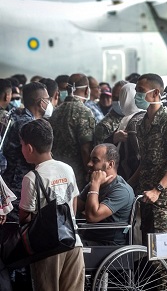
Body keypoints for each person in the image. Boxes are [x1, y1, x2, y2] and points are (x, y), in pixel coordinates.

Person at [129, 73, 167, 288]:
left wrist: (158, 189)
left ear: (155, 93)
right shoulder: (141, 124)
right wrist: (129, 184)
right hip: (146, 196)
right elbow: (144, 162)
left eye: (140, 90)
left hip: (163, 199)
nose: (136, 94)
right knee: (150, 252)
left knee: (162, 253)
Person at [18, 118, 84, 291]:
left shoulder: (31, 178)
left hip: (47, 249)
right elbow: (74, 204)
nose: (22, 149)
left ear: (29, 148)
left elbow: (24, 215)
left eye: (22, 145)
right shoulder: (67, 168)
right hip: (73, 242)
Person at [3, 82, 50, 220]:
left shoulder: (18, 117)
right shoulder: (28, 125)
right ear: (41, 102)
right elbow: (39, 156)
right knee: (16, 229)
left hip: (13, 182)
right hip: (19, 184)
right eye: (47, 99)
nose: (49, 102)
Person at [77, 143, 135, 245]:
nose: (89, 164)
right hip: (87, 238)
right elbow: (75, 207)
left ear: (110, 164)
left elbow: (92, 216)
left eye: (95, 160)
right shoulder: (96, 183)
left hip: (106, 244)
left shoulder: (122, 190)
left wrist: (95, 185)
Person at [50, 74, 96, 191]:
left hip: (56, 171)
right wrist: (89, 171)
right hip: (76, 174)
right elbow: (85, 149)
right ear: (87, 90)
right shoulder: (85, 112)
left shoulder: (56, 111)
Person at [94, 80, 128, 145]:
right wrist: (113, 139)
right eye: (115, 98)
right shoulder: (104, 126)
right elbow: (99, 151)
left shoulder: (138, 118)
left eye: (121, 98)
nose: (117, 101)